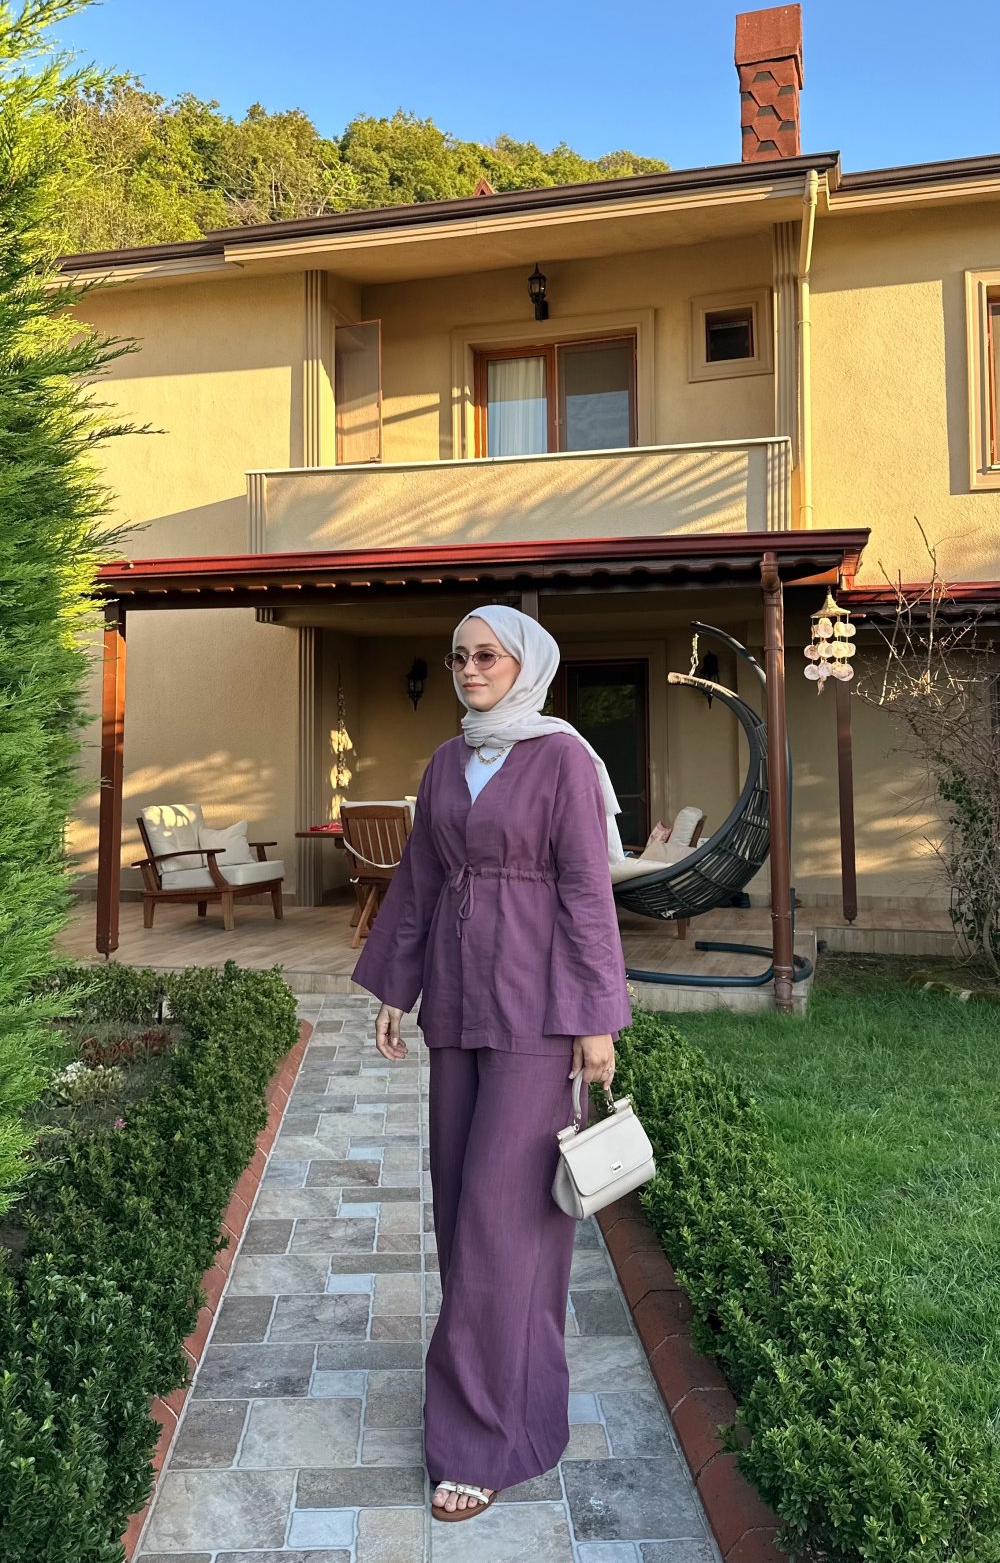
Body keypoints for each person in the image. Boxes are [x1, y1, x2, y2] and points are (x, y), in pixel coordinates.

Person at [350, 604, 633, 1523]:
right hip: (459, 1006)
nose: (469, 669)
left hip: (539, 1014)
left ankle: (479, 1441)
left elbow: (587, 890)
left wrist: (596, 1019)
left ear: (526, 666)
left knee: (502, 1226)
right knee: (463, 1211)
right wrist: (397, 989)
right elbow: (420, 882)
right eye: (458, 657)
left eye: (487, 656)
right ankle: (516, 1407)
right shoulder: (446, 761)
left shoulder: (563, 759)